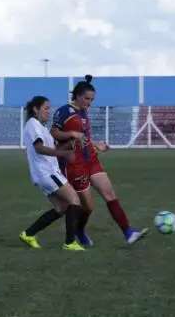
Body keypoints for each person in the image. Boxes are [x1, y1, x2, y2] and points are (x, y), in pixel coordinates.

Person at [51, 75, 148, 246]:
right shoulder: (64, 111)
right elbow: (54, 133)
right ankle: (79, 231)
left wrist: (96, 145)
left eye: (92, 99)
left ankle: (128, 232)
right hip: (75, 164)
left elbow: (84, 137)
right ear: (78, 96)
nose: (89, 103)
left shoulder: (83, 111)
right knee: (88, 207)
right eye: (87, 99)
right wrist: (72, 134)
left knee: (109, 193)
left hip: (91, 159)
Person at [19, 96, 86, 251]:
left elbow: (52, 149)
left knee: (61, 207)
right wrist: (64, 154)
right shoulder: (33, 125)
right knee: (74, 200)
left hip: (45, 173)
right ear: (36, 109)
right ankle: (69, 243)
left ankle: (28, 234)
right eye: (46, 108)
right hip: (47, 172)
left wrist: (70, 144)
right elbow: (39, 148)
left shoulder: (41, 127)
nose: (49, 112)